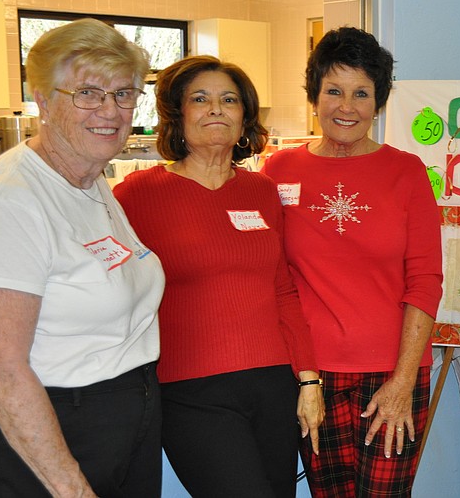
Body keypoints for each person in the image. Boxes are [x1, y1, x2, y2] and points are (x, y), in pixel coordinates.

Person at [0, 18, 165, 497]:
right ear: (43, 101)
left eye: (123, 93)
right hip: (40, 439)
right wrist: (72, 488)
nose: (110, 110)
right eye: (87, 93)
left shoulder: (89, 178)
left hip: (115, 420)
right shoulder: (11, 197)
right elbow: (0, 367)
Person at [113, 55, 324, 498]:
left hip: (273, 384)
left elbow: (283, 291)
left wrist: (308, 380)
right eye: (200, 99)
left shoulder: (261, 191)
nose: (215, 109)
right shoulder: (137, 195)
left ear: (244, 116)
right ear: (177, 114)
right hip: (190, 390)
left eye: (229, 100)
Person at [260, 27, 444, 497]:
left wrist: (403, 380)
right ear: (314, 97)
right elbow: (273, 275)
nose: (347, 107)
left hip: (393, 371)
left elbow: (425, 281)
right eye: (334, 91)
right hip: (311, 375)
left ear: (378, 102)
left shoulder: (406, 172)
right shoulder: (278, 170)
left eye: (361, 93)